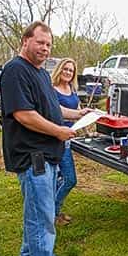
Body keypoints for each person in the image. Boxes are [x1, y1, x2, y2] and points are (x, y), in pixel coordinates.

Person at [0, 21, 90, 256]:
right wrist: (59, 133)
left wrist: (78, 115)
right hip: (33, 156)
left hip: (46, 155)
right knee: (43, 217)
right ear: (25, 40)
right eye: (40, 42)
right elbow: (24, 115)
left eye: (49, 44)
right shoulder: (16, 71)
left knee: (35, 212)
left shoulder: (40, 73)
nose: (45, 48)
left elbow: (52, 108)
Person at [51, 58, 80, 226]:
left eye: (71, 70)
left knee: (58, 179)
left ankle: (53, 212)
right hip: (57, 140)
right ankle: (53, 214)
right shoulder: (52, 90)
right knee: (70, 179)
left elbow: (75, 111)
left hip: (69, 138)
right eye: (66, 69)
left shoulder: (71, 89)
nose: (68, 72)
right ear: (59, 69)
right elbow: (56, 113)